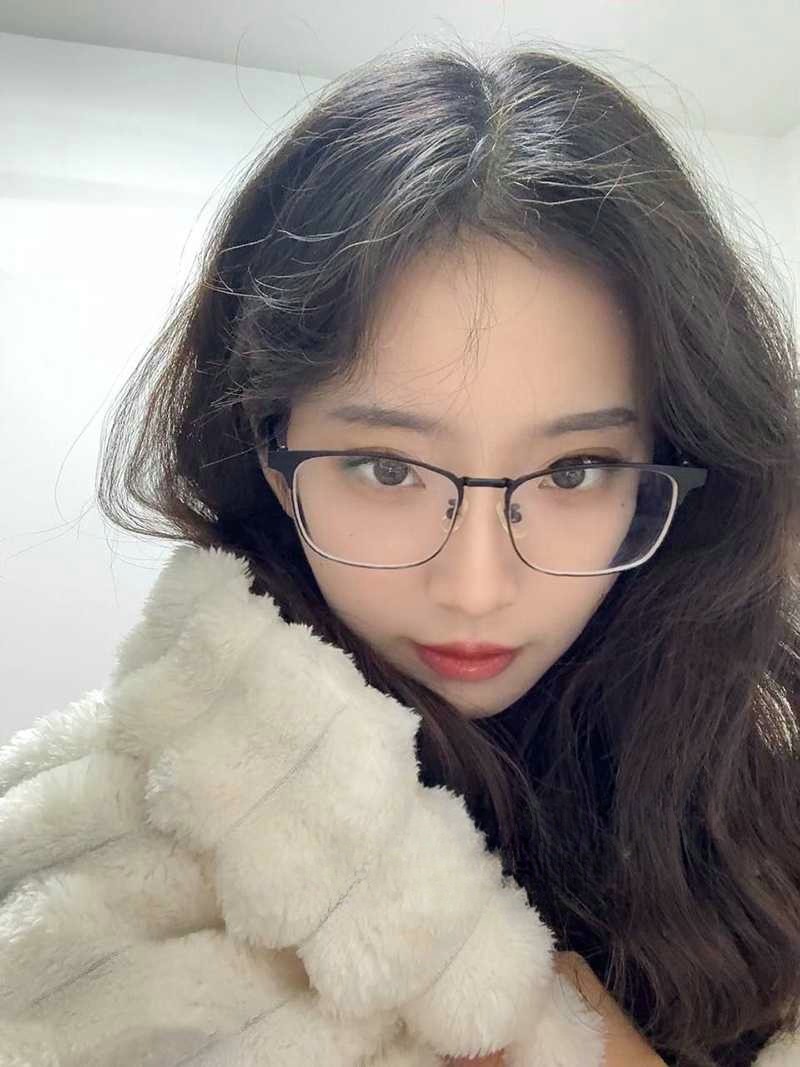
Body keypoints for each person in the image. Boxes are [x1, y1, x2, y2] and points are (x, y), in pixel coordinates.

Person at [1, 40, 799, 1067]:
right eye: (386, 468)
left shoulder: (757, 786)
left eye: (572, 471)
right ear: (272, 457)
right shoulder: (82, 890)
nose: (475, 586)